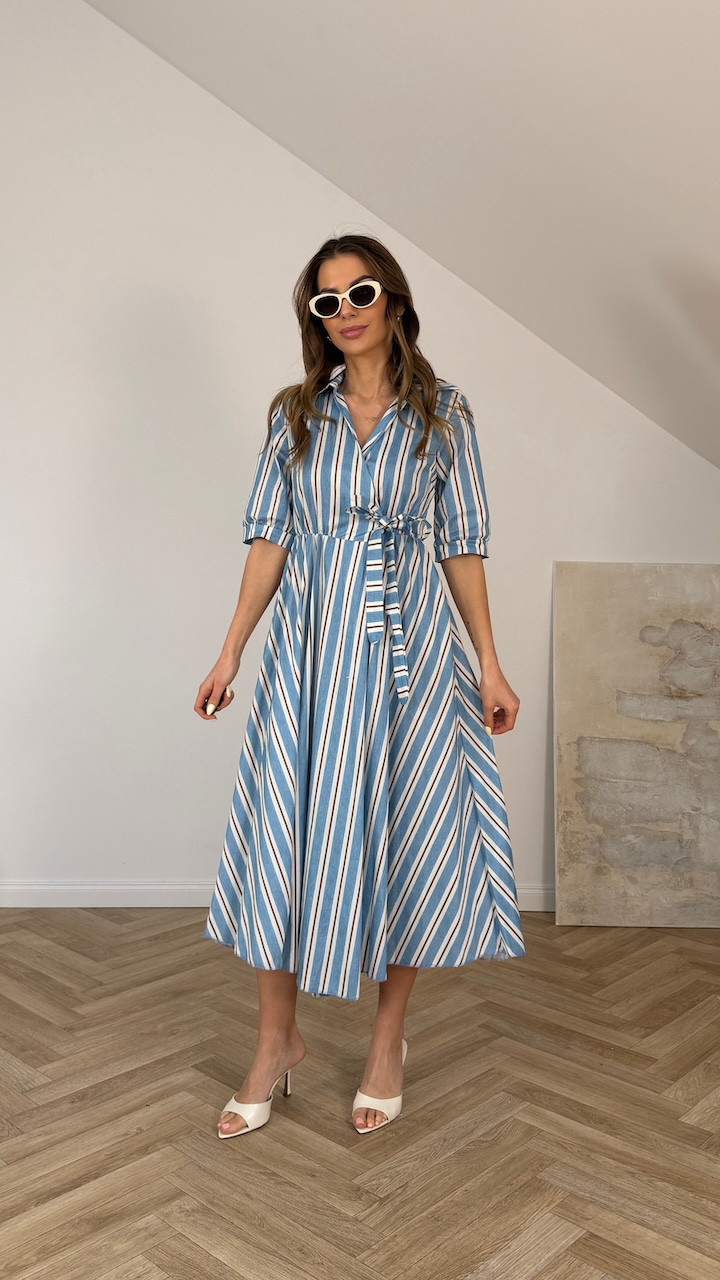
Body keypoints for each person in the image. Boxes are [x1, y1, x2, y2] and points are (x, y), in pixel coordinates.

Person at [195, 234, 525, 1139]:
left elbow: (462, 544)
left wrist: (489, 662)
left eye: (360, 292)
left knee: (406, 834)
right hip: (310, 654)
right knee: (286, 835)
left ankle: (387, 1044)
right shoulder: (296, 414)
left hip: (411, 652)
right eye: (326, 301)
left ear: (395, 299)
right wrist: (230, 651)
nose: (344, 312)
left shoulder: (445, 414)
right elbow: (270, 539)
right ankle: (276, 1042)